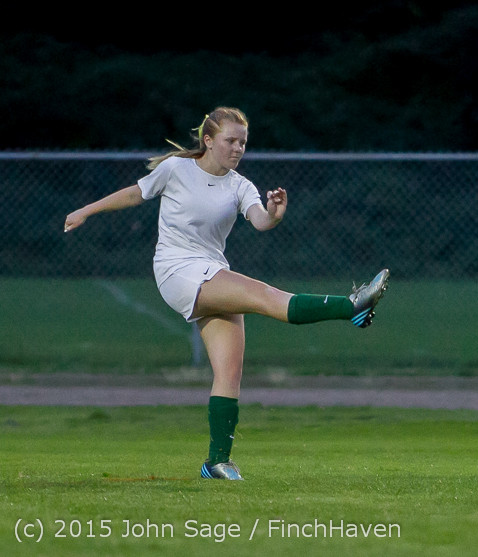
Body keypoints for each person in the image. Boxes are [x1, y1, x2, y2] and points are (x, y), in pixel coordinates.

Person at [64, 107, 390, 481]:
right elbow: (136, 194)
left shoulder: (240, 185)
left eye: (243, 143)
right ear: (208, 140)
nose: (237, 148)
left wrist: (275, 214)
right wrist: (86, 210)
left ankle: (216, 463)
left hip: (212, 271)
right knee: (267, 297)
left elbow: (260, 220)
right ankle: (351, 305)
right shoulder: (176, 170)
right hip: (176, 269)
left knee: (229, 372)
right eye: (230, 141)